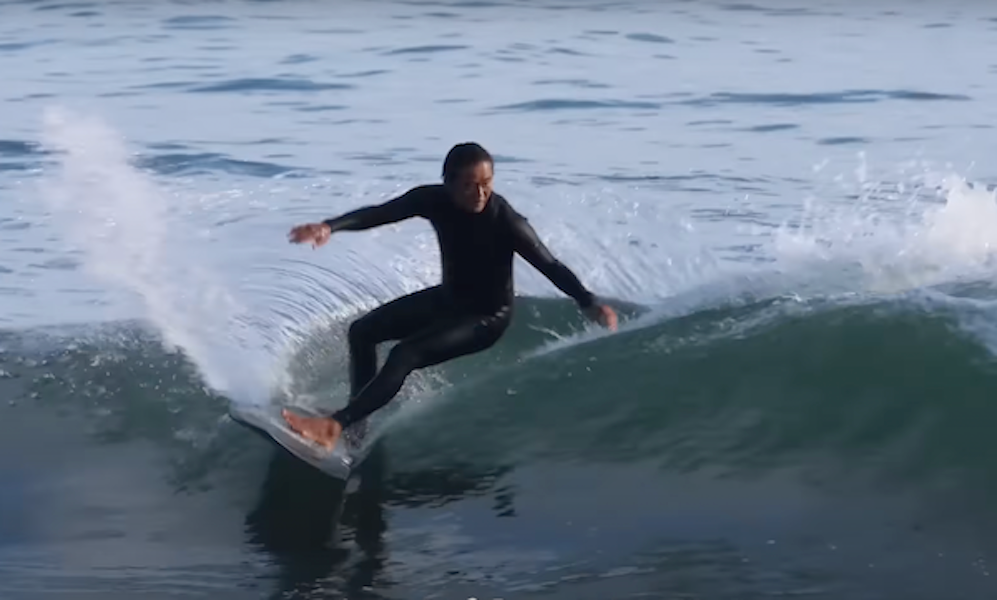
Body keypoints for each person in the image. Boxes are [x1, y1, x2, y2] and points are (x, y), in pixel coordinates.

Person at [282, 142, 618, 450]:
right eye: (470, 185)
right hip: (449, 300)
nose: (481, 193)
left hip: (486, 318)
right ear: (449, 183)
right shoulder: (433, 200)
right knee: (362, 332)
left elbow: (550, 264)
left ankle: (336, 425)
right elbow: (381, 213)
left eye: (487, 183)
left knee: (405, 354)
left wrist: (588, 302)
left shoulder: (506, 222)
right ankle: (355, 429)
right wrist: (330, 226)